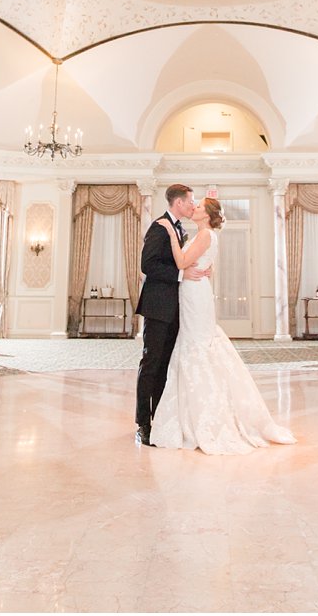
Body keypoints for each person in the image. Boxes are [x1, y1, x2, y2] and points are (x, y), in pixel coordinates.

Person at [149, 197, 296, 455]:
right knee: (193, 344)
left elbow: (182, 262)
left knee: (198, 345)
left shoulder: (205, 235)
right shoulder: (204, 235)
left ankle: (206, 416)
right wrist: (205, 268)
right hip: (193, 291)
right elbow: (206, 264)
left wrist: (172, 235)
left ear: (206, 215)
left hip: (195, 294)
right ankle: (189, 414)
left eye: (198, 207)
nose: (193, 208)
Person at [135, 184, 211, 447]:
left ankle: (160, 419)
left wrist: (201, 269)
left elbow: (187, 259)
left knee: (166, 366)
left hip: (177, 307)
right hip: (158, 307)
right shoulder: (159, 227)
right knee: (151, 364)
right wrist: (180, 274)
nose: (193, 206)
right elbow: (148, 265)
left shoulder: (180, 229)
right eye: (190, 202)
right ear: (178, 203)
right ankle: (142, 423)